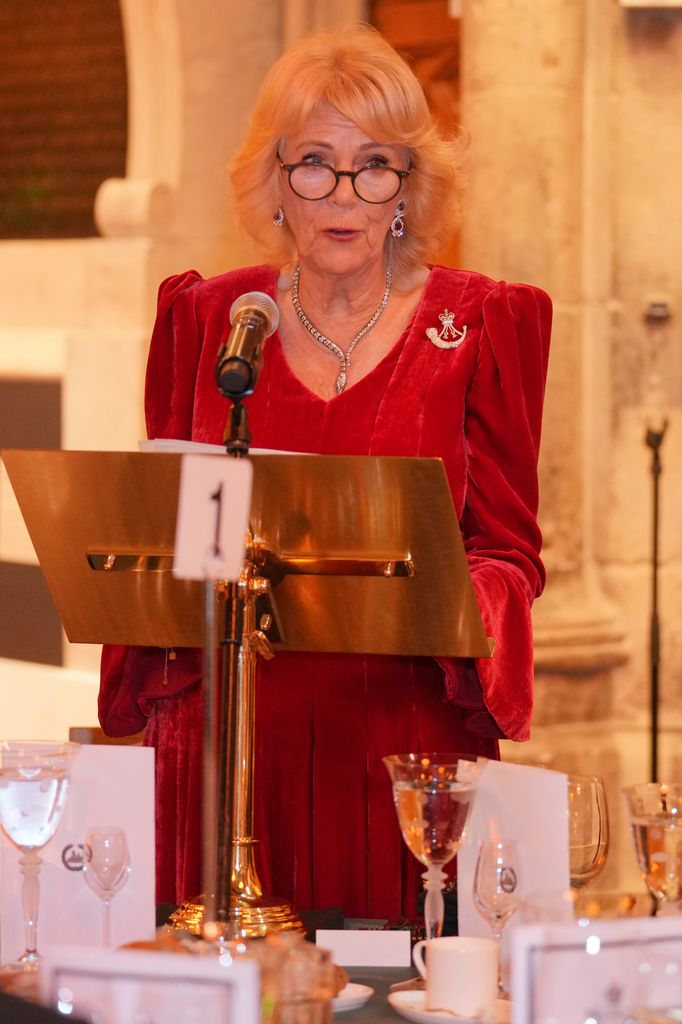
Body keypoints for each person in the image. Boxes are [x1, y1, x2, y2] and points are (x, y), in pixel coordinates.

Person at [99, 24, 552, 921]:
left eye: (375, 164)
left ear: (409, 186)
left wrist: (453, 603)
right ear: (275, 182)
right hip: (229, 744)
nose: (344, 194)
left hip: (397, 746)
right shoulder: (215, 320)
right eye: (314, 162)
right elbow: (180, 531)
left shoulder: (479, 327)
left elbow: (509, 554)